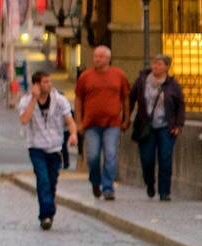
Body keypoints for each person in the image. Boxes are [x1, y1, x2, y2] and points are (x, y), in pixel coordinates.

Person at [19, 70, 79, 230]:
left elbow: (70, 120)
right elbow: (24, 120)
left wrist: (73, 134)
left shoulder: (60, 100)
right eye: (45, 82)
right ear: (36, 85)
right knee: (43, 179)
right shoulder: (26, 101)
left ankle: (48, 213)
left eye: (49, 81)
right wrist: (34, 98)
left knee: (51, 182)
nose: (48, 85)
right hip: (36, 147)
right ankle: (46, 214)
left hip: (55, 147)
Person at [76, 46, 130, 201]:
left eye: (100, 56)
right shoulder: (85, 77)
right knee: (92, 156)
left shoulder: (119, 75)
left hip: (112, 124)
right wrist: (78, 122)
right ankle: (95, 181)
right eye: (95, 56)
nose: (97, 59)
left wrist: (126, 118)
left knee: (111, 154)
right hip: (91, 124)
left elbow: (125, 98)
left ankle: (108, 187)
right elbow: (79, 99)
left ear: (108, 59)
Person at [130, 54, 186, 202]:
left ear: (167, 67)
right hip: (146, 126)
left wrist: (179, 125)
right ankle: (150, 183)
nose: (156, 66)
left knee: (165, 158)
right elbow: (131, 98)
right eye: (155, 63)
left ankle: (164, 192)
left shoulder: (172, 85)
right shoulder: (142, 81)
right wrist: (126, 118)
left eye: (160, 64)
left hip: (166, 127)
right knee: (147, 159)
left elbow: (180, 105)